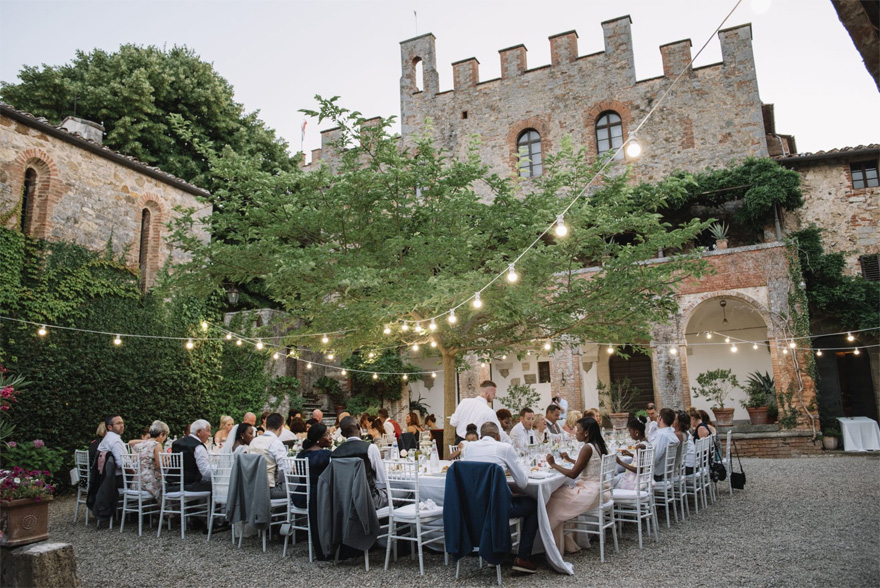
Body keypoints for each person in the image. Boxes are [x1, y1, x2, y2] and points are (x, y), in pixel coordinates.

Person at [462, 422, 539, 574]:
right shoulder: (504, 448)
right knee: (533, 506)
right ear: (497, 436)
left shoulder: (469, 448)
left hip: (472, 507)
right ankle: (522, 558)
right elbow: (523, 483)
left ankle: (497, 553)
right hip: (497, 508)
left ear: (481, 436)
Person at [545, 416, 608, 554]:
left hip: (590, 492)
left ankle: (549, 543)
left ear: (586, 433)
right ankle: (567, 541)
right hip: (600, 489)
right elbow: (588, 465)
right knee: (560, 494)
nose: (575, 432)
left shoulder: (587, 448)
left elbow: (573, 474)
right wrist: (569, 459)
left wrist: (553, 464)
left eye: (578, 429)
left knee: (552, 498)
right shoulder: (598, 444)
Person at [294, 423, 333, 560]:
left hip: (301, 495)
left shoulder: (301, 454)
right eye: (327, 435)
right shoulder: (326, 455)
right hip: (318, 498)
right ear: (319, 438)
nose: (330, 438)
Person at [333, 416, 388, 508]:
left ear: (342, 434)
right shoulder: (370, 448)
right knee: (409, 494)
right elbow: (381, 480)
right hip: (369, 500)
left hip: (345, 502)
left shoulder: (334, 454)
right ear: (359, 427)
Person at [249, 413, 290, 498]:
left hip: (251, 488)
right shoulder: (276, 442)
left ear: (266, 425)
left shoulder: (253, 441)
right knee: (297, 490)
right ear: (281, 428)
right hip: (269, 490)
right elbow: (286, 468)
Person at [171, 419, 213, 493]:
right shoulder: (198, 447)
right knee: (216, 484)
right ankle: (212, 505)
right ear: (199, 432)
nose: (210, 434)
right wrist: (219, 472)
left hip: (171, 486)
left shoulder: (176, 443)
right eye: (208, 430)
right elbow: (206, 473)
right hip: (189, 487)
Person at [133, 420, 169, 499]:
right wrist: (169, 461)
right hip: (150, 483)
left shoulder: (139, 445)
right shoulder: (157, 445)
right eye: (165, 435)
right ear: (161, 434)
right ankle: (168, 510)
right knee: (170, 489)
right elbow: (160, 466)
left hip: (136, 482)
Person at [614, 419, 652, 489]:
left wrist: (620, 462)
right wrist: (630, 454)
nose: (630, 434)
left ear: (636, 432)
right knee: (617, 478)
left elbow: (639, 470)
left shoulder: (639, 446)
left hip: (636, 481)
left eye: (630, 431)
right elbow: (643, 460)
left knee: (612, 482)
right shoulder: (648, 444)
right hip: (645, 479)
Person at [97, 414, 127, 488]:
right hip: (117, 479)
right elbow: (122, 465)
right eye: (118, 423)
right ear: (110, 427)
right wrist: (134, 472)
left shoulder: (107, 439)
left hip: (104, 478)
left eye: (122, 423)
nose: (122, 425)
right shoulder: (115, 441)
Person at [652, 408, 680, 482]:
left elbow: (655, 458)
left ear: (660, 418)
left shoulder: (662, 436)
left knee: (622, 474)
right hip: (668, 472)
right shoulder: (672, 435)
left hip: (657, 475)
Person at [675, 411, 696, 475]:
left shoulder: (679, 434)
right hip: (692, 464)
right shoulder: (685, 432)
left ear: (680, 422)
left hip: (687, 467)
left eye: (674, 419)